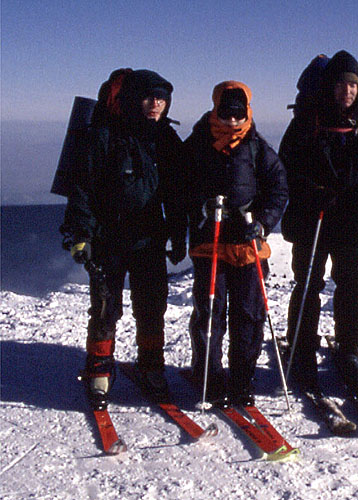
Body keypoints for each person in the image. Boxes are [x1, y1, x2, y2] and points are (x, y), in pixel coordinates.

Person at [61, 69, 186, 408]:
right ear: (133, 99)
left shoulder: (165, 140)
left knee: (151, 306)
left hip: (149, 239)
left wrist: (178, 235)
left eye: (161, 98)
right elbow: (83, 189)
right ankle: (99, 370)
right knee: (105, 307)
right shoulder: (103, 136)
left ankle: (151, 367)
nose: (156, 104)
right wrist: (82, 235)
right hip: (107, 239)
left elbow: (176, 194)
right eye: (149, 97)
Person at [280, 50, 358, 398]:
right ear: (330, 87)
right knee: (308, 282)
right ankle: (301, 347)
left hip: (351, 220)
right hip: (313, 219)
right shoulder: (307, 122)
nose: (348, 91)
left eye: (354, 85)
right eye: (342, 84)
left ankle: (349, 348)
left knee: (350, 284)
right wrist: (308, 195)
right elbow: (286, 166)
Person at [183, 81, 288, 407]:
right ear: (216, 110)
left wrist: (262, 223)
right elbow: (178, 184)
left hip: (247, 245)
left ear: (247, 113)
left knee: (249, 314)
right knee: (210, 314)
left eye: (238, 115)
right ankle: (209, 378)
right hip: (210, 243)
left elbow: (279, 189)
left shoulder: (257, 149)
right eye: (226, 114)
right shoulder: (198, 145)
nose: (231, 121)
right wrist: (200, 206)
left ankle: (243, 380)